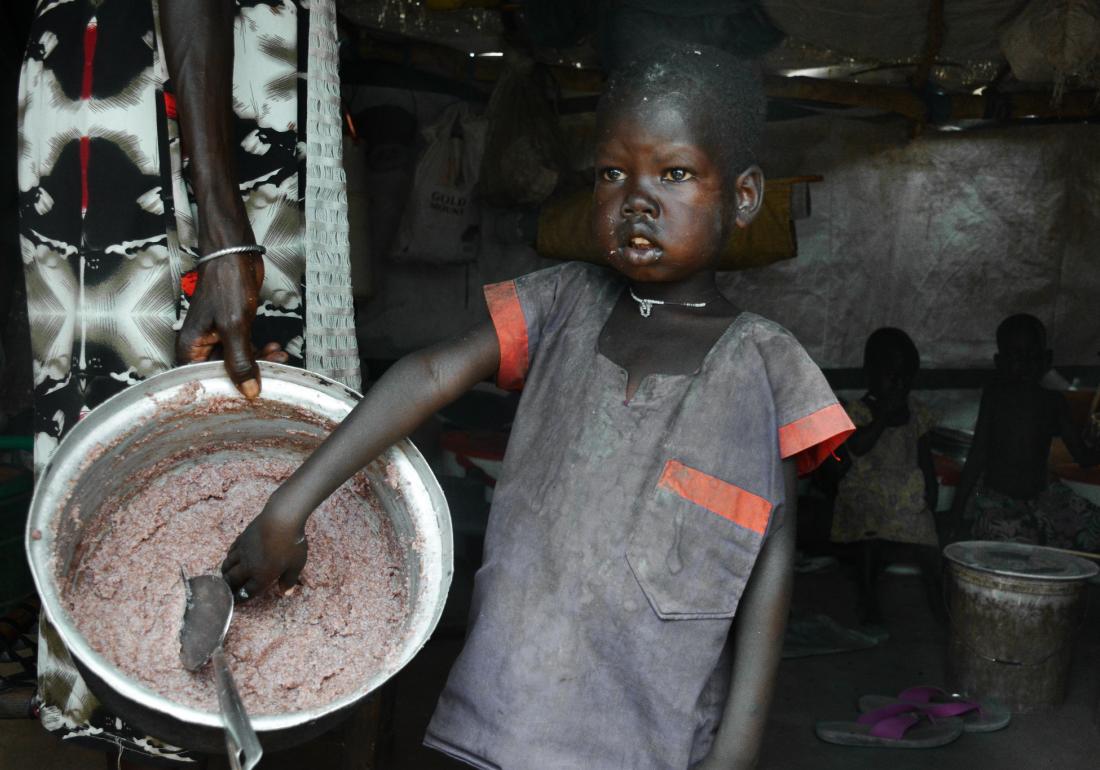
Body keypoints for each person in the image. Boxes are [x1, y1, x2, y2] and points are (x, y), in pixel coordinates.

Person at [223, 46, 854, 770]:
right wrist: (289, 506)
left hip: (649, 744)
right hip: (502, 718)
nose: (638, 199)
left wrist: (737, 749)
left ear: (743, 197)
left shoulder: (766, 364)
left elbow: (771, 548)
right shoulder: (560, 304)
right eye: (613, 173)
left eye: (675, 173)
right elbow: (428, 371)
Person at [18, 0, 355, 764]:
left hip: (236, 85)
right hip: (153, 89)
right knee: (134, 432)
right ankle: (150, 713)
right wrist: (222, 225)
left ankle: (220, 715)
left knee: (241, 410)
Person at [951, 314, 1100, 549]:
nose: (1026, 363)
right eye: (1016, 356)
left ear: (1047, 359)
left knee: (1092, 527)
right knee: (1014, 547)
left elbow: (1082, 456)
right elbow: (977, 455)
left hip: (1043, 497)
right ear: (1000, 362)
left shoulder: (1054, 402)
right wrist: (957, 510)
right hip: (998, 499)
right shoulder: (995, 398)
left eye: (1033, 355)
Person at [830, 328, 942, 627]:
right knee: (869, 531)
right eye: (890, 374)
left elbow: (924, 456)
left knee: (928, 542)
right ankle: (868, 600)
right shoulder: (861, 410)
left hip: (906, 493)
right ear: (870, 374)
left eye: (905, 376)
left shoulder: (916, 413)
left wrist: (931, 488)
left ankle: (939, 602)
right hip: (867, 491)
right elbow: (858, 447)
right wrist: (882, 416)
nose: (898, 383)